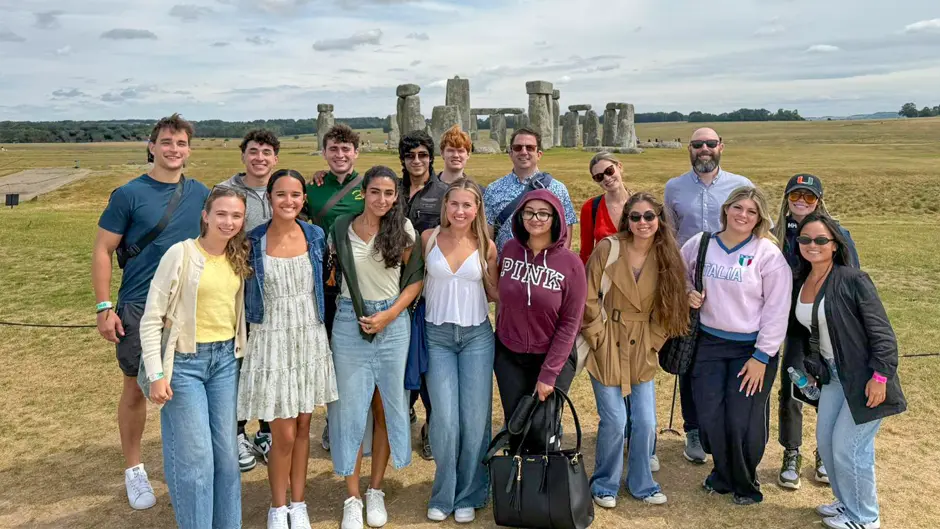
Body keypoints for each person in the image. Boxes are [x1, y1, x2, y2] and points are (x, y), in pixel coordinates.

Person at [92, 113, 210, 510]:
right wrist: (104, 307)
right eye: (166, 143)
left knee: (187, 387)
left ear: (188, 149)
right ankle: (134, 469)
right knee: (137, 388)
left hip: (190, 305)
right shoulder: (128, 194)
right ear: (151, 146)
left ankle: (188, 459)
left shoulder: (201, 193)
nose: (174, 150)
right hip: (141, 305)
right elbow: (103, 250)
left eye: (181, 144)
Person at [138, 186, 251, 529]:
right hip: (185, 364)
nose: (228, 222)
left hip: (225, 362)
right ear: (205, 215)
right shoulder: (181, 253)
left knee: (228, 458)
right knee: (197, 459)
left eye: (236, 215)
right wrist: (157, 374)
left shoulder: (238, 256)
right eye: (221, 213)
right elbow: (151, 317)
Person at [791, 213, 906, 529]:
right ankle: (847, 504)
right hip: (832, 377)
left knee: (849, 448)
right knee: (827, 444)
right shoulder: (803, 281)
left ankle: (866, 517)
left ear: (834, 244)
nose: (812, 245)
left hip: (864, 377)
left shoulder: (853, 279)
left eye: (820, 240)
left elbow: (882, 334)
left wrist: (880, 377)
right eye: (805, 239)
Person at [238, 169, 339, 529]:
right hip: (271, 338)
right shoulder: (251, 241)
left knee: (302, 425)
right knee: (280, 432)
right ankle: (277, 507)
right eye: (281, 194)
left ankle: (299, 502)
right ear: (269, 197)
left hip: (308, 336)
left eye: (296, 195)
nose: (289, 201)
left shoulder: (315, 235)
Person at [326, 166, 424, 529]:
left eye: (388, 193)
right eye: (375, 192)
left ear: (396, 196)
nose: (381, 199)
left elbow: (414, 281)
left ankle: (376, 489)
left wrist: (389, 316)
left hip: (393, 322)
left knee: (386, 405)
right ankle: (352, 496)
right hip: (351, 320)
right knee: (350, 408)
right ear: (362, 193)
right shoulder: (342, 229)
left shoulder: (404, 230)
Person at [682, 185, 792, 505]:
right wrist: (688, 292)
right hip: (709, 344)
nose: (743, 215)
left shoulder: (766, 254)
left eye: (751, 211)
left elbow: (776, 308)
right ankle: (721, 474)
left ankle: (745, 482)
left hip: (752, 349)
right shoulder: (701, 244)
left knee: (742, 418)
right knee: (711, 416)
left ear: (759, 218)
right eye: (738, 208)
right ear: (726, 209)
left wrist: (762, 355)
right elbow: (676, 274)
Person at [582, 192, 688, 508]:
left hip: (643, 341)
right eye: (636, 216)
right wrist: (596, 335)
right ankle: (604, 484)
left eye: (649, 216)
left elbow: (671, 306)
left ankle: (642, 483)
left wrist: (655, 340)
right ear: (626, 219)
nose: (642, 223)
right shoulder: (608, 249)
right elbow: (587, 296)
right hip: (608, 339)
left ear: (659, 220)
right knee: (614, 420)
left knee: (645, 421)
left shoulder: (668, 255)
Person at [663, 127, 753, 465]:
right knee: (688, 356)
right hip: (690, 283)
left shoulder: (741, 185)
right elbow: (669, 238)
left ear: (721, 147)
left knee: (725, 357)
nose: (704, 149)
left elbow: (760, 233)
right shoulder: (674, 187)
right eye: (698, 144)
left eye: (710, 144)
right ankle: (694, 429)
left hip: (731, 282)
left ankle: (724, 426)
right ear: (690, 149)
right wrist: (679, 286)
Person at [771, 173, 860, 490]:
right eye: (796, 195)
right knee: (795, 385)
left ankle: (824, 452)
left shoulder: (837, 233)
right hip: (794, 326)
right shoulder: (774, 236)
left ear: (819, 201)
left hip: (828, 324)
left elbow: (853, 278)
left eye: (809, 197)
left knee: (829, 388)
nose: (801, 202)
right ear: (786, 198)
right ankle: (791, 452)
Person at [422, 179, 499, 524]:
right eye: (455, 204)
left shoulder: (487, 245)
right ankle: (444, 492)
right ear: (445, 206)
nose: (460, 211)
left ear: (477, 209)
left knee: (474, 418)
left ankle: (469, 492)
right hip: (436, 336)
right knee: (445, 419)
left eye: (468, 205)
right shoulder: (428, 240)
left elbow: (495, 293)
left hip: (476, 338)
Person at [494, 189, 587, 452]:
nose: (536, 218)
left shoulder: (570, 264)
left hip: (550, 356)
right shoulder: (510, 250)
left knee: (541, 428)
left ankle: (544, 487)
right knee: (515, 424)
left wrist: (548, 373)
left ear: (555, 218)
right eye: (529, 211)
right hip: (510, 354)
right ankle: (515, 487)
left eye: (543, 213)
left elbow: (571, 323)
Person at [218, 128, 281, 471]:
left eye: (266, 152)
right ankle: (237, 431)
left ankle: (267, 430)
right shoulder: (226, 191)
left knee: (269, 360)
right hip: (236, 288)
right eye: (253, 151)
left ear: (276, 158)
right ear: (243, 155)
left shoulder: (281, 189)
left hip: (275, 291)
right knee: (237, 363)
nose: (259, 158)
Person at [305, 123, 365, 452]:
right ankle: (333, 420)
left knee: (359, 351)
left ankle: (362, 416)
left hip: (361, 278)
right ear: (325, 153)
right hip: (325, 280)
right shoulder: (312, 188)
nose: (340, 155)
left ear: (356, 152)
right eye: (333, 149)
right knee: (330, 352)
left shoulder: (369, 184)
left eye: (346, 149)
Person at [398, 129, 447, 460]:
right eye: (410, 156)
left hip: (431, 287)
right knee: (401, 359)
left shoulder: (444, 192)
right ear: (402, 159)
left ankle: (431, 424)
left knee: (428, 362)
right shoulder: (392, 188)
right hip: (395, 284)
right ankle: (403, 415)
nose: (417, 161)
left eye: (422, 155)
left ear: (431, 158)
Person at [483, 126, 577, 253]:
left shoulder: (557, 189)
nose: (523, 152)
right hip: (506, 266)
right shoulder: (493, 189)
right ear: (511, 153)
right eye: (517, 147)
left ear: (539, 154)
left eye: (530, 148)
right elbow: (487, 237)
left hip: (545, 267)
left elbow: (565, 237)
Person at [578, 152, 632, 264]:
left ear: (620, 167)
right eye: (599, 177)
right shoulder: (590, 207)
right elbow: (585, 252)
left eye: (609, 171)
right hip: (604, 276)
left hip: (638, 275)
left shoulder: (641, 203)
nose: (607, 178)